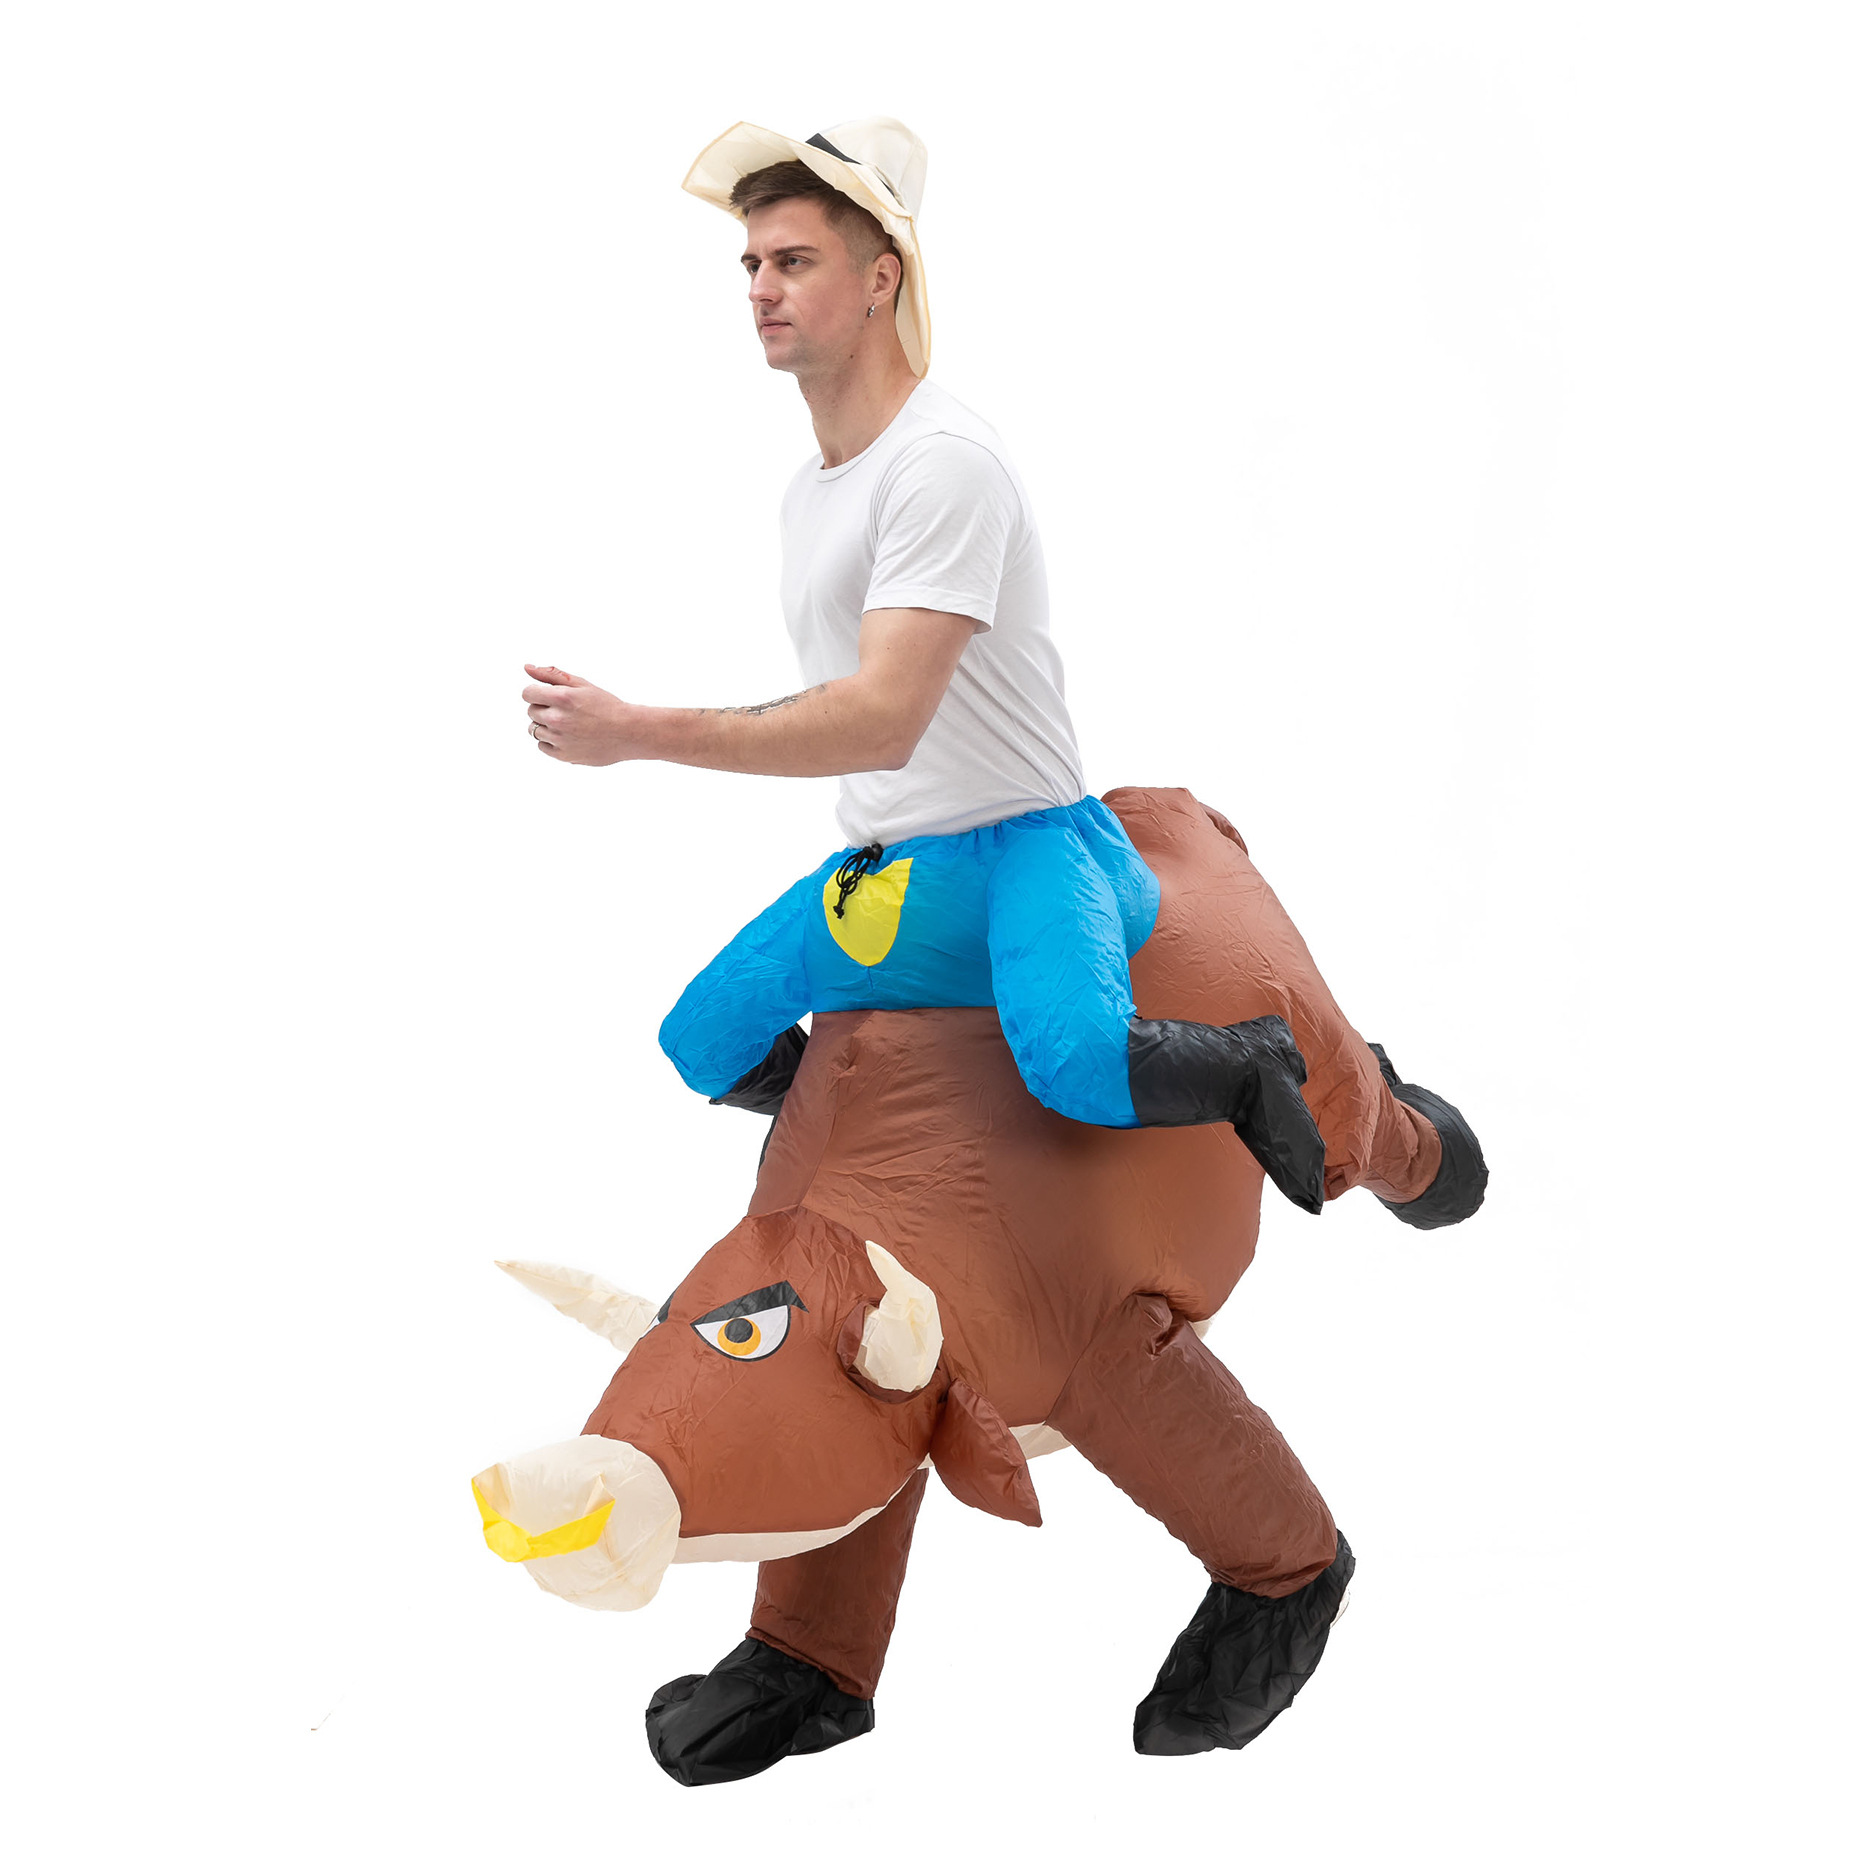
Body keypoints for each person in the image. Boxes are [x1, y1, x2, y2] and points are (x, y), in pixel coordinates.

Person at [520, 116, 1364, 1213]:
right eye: (751, 264)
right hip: (887, 878)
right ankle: (873, 1122)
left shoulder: (942, 463)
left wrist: (637, 732)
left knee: (1076, 1065)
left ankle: (1251, 1062)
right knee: (703, 1038)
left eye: (793, 261)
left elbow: (882, 721)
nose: (760, 288)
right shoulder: (809, 490)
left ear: (882, 278)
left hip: (1027, 852)